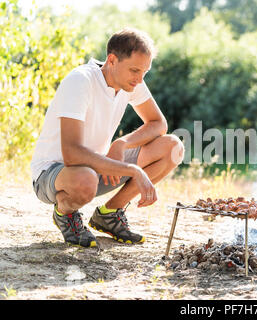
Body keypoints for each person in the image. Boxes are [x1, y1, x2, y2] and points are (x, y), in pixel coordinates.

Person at [30, 28, 184, 248]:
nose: (140, 80)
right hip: (52, 173)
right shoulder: (81, 81)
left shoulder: (131, 82)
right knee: (86, 179)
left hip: (95, 168)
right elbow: (72, 154)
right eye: (134, 70)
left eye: (144, 72)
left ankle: (109, 213)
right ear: (112, 60)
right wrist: (132, 170)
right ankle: (65, 212)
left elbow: (159, 124)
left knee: (173, 148)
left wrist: (122, 143)